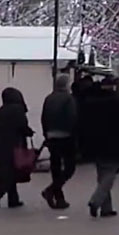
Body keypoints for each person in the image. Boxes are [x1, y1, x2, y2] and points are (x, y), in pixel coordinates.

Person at [80, 76, 119, 218]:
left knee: (102, 175)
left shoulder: (89, 103)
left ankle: (106, 208)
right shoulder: (117, 103)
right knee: (110, 174)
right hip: (114, 143)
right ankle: (96, 201)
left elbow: (83, 124)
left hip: (95, 143)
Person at [0, 87, 33, 209]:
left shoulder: (0, 111)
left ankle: (13, 199)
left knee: (7, 172)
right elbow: (22, 127)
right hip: (16, 145)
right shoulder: (18, 110)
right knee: (13, 173)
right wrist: (29, 132)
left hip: (2, 146)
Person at [41, 74, 79, 208]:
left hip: (51, 136)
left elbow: (43, 117)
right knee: (70, 168)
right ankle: (51, 190)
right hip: (66, 136)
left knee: (55, 167)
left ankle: (59, 197)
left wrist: (46, 133)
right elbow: (72, 117)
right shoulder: (69, 98)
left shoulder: (49, 98)